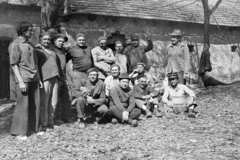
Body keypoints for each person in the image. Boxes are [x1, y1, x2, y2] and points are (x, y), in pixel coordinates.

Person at [9, 21, 42, 140]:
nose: (32, 32)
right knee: (23, 105)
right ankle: (19, 132)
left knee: (35, 104)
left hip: (34, 78)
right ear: (23, 31)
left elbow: (36, 63)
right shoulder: (15, 44)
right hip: (24, 79)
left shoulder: (30, 44)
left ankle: (34, 128)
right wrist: (21, 81)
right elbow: (14, 65)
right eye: (30, 30)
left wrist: (38, 78)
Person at [36, 32, 60, 131]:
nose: (46, 41)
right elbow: (35, 66)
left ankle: (51, 122)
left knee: (54, 102)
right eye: (44, 39)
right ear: (40, 40)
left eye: (48, 39)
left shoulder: (53, 52)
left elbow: (57, 65)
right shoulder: (37, 51)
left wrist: (60, 78)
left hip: (56, 78)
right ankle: (44, 124)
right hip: (45, 78)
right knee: (44, 102)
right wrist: (38, 79)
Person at [52, 34, 72, 124]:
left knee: (66, 97)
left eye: (63, 42)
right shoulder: (51, 49)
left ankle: (66, 117)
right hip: (55, 76)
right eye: (59, 41)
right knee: (56, 98)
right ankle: (56, 118)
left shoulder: (63, 50)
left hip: (63, 76)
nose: (61, 43)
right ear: (54, 41)